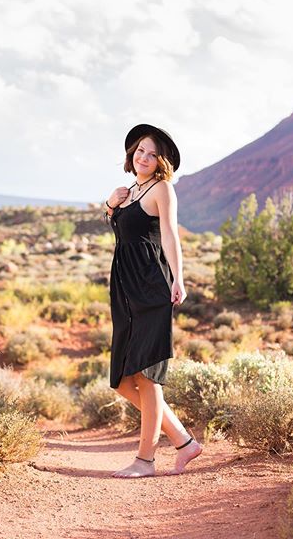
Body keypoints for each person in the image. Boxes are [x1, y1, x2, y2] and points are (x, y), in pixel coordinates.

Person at [103, 123, 203, 478]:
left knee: (147, 376)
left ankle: (145, 460)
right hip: (125, 291)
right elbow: (121, 229)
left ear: (162, 161)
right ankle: (184, 441)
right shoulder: (129, 188)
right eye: (139, 150)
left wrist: (179, 278)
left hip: (151, 287)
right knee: (122, 380)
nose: (143, 157)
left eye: (151, 153)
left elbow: (170, 235)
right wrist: (110, 204)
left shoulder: (163, 189)